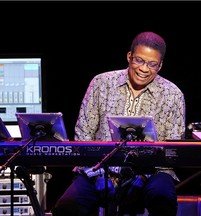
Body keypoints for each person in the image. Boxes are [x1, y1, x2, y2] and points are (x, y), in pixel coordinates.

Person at [52, 31, 186, 216]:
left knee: (162, 197)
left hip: (151, 172)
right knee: (67, 206)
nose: (144, 69)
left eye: (152, 64)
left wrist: (143, 177)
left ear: (160, 65)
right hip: (98, 169)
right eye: (139, 60)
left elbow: (172, 149)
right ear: (129, 57)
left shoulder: (173, 94)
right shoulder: (101, 83)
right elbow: (83, 134)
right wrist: (97, 174)